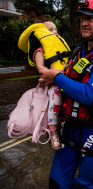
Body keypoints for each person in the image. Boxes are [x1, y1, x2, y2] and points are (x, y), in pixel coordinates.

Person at [38, 0, 93, 188]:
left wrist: (56, 77)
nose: (84, 23)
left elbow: (89, 94)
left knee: (86, 185)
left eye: (90, 18)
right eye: (82, 19)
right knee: (56, 183)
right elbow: (67, 83)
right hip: (70, 127)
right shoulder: (78, 51)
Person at [18, 19, 71, 150]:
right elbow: (41, 68)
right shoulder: (40, 51)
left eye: (56, 30)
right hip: (54, 84)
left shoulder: (60, 47)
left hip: (67, 80)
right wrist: (56, 76)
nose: (55, 33)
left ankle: (65, 126)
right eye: (50, 30)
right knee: (55, 100)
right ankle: (53, 133)